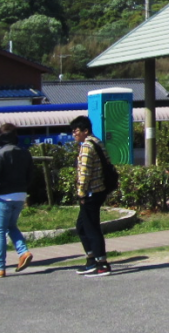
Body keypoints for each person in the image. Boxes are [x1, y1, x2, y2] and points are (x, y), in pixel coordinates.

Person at [0, 123, 35, 278]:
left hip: (3, 196)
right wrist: (24, 188)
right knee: (11, 226)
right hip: (20, 194)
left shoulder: (0, 154)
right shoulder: (25, 153)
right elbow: (31, 175)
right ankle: (23, 252)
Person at [70, 115, 113, 277]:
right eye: (73, 131)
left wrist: (81, 193)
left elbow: (84, 172)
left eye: (76, 131)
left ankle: (102, 264)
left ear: (85, 131)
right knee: (81, 226)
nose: (74, 134)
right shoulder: (98, 142)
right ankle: (91, 260)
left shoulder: (87, 146)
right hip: (99, 190)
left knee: (91, 227)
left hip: (91, 192)